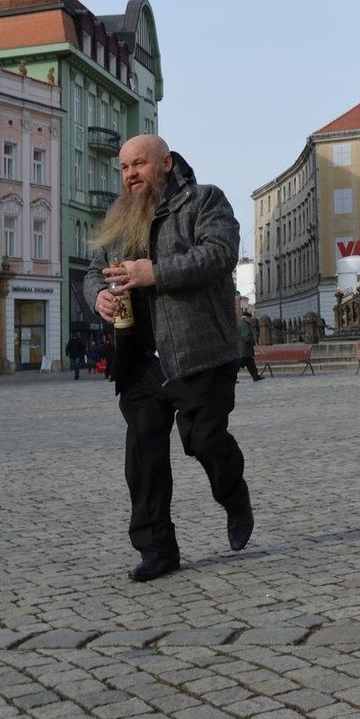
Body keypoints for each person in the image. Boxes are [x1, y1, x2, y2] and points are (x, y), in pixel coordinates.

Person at [85, 135, 254, 583]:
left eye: (138, 164)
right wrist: (97, 296)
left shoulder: (204, 201)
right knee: (142, 455)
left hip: (197, 352)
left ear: (165, 163)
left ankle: (234, 494)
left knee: (203, 441)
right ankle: (157, 548)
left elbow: (219, 255)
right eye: (123, 168)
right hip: (138, 357)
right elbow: (90, 272)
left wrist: (153, 273)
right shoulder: (118, 216)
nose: (130, 175)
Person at [237, 310, 261, 382]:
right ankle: (231, 378)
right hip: (245, 349)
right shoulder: (244, 325)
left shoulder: (242, 324)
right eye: (250, 318)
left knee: (250, 363)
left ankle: (255, 376)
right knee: (239, 365)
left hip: (245, 350)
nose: (251, 319)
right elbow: (246, 337)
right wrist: (253, 341)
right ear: (246, 318)